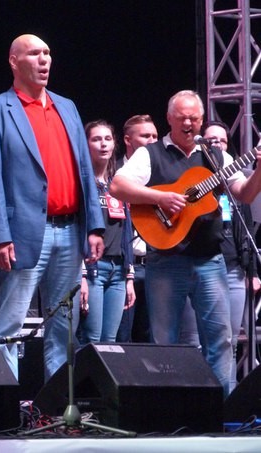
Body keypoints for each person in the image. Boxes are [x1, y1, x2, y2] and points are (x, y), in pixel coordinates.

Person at [0, 34, 105, 382]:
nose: (44, 59)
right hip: (24, 233)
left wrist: (94, 225)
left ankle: (57, 405)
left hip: (70, 230)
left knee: (63, 327)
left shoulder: (67, 107)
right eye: (34, 53)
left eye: (47, 53)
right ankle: (5, 404)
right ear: (14, 61)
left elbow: (85, 170)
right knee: (9, 326)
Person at [110, 90, 261, 397]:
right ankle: (170, 409)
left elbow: (245, 194)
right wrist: (160, 197)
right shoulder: (150, 154)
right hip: (166, 261)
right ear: (169, 119)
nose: (189, 123)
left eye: (194, 118)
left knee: (221, 341)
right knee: (166, 344)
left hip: (211, 260)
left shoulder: (215, 156)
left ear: (202, 120)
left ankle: (219, 410)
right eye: (182, 118)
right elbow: (117, 185)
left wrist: (259, 168)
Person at [178, 120, 261, 392]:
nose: (217, 145)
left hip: (234, 269)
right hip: (199, 265)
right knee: (192, 342)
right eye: (211, 140)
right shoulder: (191, 179)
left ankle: (226, 404)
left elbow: (246, 229)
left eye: (222, 141)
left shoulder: (234, 186)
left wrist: (252, 272)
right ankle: (195, 401)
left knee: (228, 344)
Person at [78, 120, 135, 344]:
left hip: (118, 270)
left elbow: (126, 230)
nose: (103, 144)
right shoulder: (82, 184)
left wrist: (129, 276)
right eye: (96, 139)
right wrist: (81, 275)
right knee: (91, 339)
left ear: (114, 144)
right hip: (94, 269)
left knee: (110, 340)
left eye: (107, 139)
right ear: (86, 145)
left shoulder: (117, 184)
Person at [115, 114, 158, 343]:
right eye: (145, 136)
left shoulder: (160, 174)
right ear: (128, 140)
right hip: (124, 267)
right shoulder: (114, 175)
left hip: (154, 265)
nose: (152, 141)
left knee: (151, 338)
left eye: (155, 136)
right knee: (122, 337)